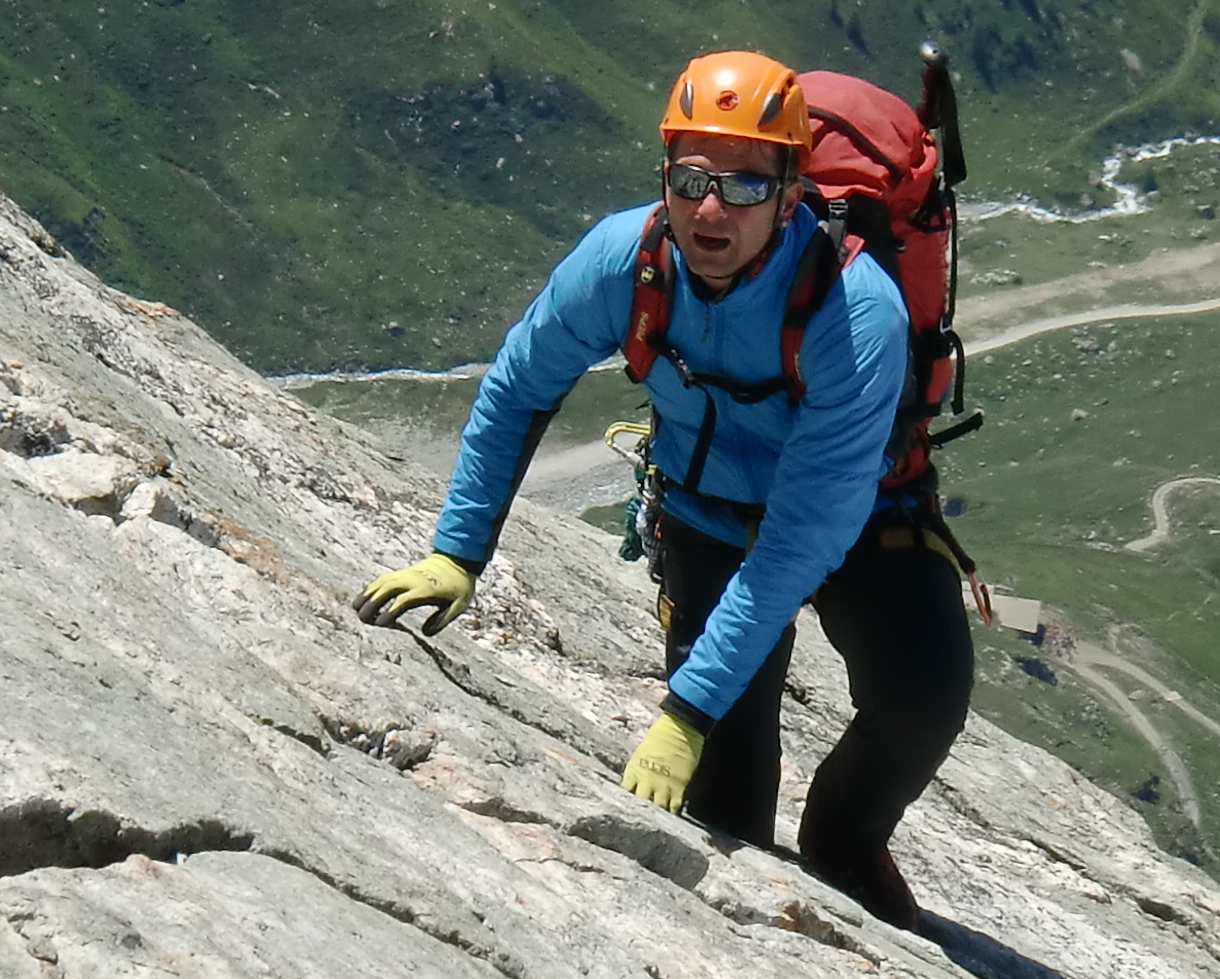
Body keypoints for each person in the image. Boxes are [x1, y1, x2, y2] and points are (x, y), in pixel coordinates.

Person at [352, 49, 974, 927]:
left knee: (923, 700)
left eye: (747, 186)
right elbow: (519, 386)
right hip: (705, 513)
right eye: (691, 179)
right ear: (666, 178)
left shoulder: (854, 310)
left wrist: (684, 710)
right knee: (727, 816)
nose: (711, 207)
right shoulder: (622, 259)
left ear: (794, 193)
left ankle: (843, 841)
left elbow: (805, 533)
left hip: (864, 516)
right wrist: (456, 553)